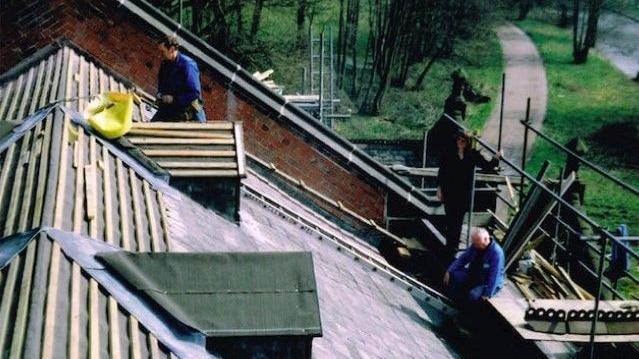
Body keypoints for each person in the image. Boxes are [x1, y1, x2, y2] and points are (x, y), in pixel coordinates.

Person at [436, 131, 501, 262]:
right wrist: (439, 189)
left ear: (468, 143)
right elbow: (442, 172)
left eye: (463, 141)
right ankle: (449, 249)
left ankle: (452, 250)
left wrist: (496, 158)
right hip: (449, 192)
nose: (460, 143)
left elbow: (487, 166)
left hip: (462, 194)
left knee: (458, 223)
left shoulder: (472, 155)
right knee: (450, 221)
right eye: (458, 140)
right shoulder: (449, 153)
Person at [151, 35, 206, 122]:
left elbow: (194, 93)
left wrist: (174, 99)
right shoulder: (165, 64)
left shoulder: (187, 65)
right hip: (168, 110)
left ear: (172, 49)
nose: (160, 55)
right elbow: (162, 85)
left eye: (162, 52)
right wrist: (160, 95)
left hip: (187, 113)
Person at [443, 227, 505, 305]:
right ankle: (452, 299)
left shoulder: (496, 253)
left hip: (485, 282)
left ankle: (465, 310)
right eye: (475, 244)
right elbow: (463, 258)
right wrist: (449, 270)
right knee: (453, 275)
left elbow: (494, 276)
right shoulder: (476, 245)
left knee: (473, 295)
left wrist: (487, 293)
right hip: (473, 274)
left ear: (486, 239)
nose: (475, 246)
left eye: (478, 244)